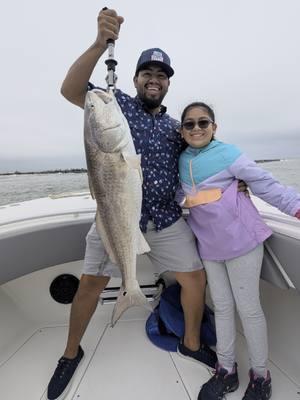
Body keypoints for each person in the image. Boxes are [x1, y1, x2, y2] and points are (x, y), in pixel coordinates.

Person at [46, 9, 219, 400]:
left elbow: (206, 158)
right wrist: (98, 42)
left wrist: (238, 184)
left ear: (167, 84)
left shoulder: (177, 127)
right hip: (113, 215)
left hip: (165, 218)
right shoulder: (114, 105)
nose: (154, 80)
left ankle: (190, 342)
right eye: (147, 74)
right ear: (136, 79)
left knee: (194, 278)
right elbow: (72, 91)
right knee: (91, 283)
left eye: (161, 76)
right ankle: (70, 353)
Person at [178, 101, 300, 400]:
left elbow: (265, 184)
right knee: (221, 307)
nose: (197, 128)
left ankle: (261, 376)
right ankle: (226, 370)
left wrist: (296, 208)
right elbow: (183, 194)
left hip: (242, 242)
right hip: (208, 247)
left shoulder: (229, 154)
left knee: (248, 309)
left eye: (203, 122)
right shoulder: (180, 159)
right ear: (182, 131)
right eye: (190, 124)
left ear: (214, 127)